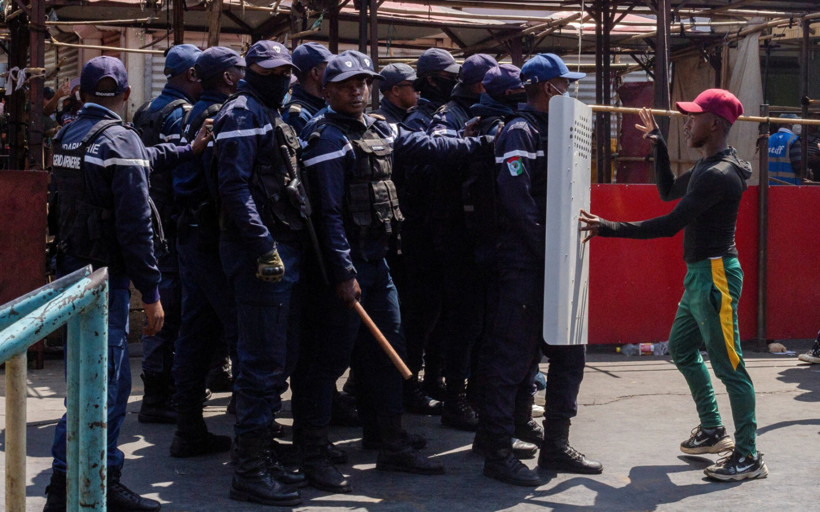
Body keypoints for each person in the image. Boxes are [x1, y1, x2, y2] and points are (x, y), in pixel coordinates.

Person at [292, 53, 494, 493]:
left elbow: (428, 147)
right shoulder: (324, 139)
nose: (357, 90)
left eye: (363, 83)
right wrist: (343, 273)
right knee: (327, 361)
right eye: (346, 84)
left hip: (376, 262)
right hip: (339, 269)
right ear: (326, 89)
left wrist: (480, 144)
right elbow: (325, 215)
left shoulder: (379, 127)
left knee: (387, 353)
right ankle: (311, 451)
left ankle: (387, 441)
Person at [44, 55, 211, 512]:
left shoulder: (71, 135)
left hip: (73, 273)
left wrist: (187, 149)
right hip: (106, 282)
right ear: (125, 96)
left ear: (80, 93)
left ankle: (67, 485)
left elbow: (145, 157)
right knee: (108, 386)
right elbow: (136, 228)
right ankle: (89, 482)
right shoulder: (119, 139)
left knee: (84, 380)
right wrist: (152, 294)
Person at [579, 88, 768, 482]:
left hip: (715, 276)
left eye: (694, 116)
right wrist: (659, 147)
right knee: (682, 349)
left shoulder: (719, 175)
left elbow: (668, 225)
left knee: (730, 367)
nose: (687, 122)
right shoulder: (707, 166)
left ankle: (749, 455)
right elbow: (667, 192)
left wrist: (608, 228)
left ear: (714, 124)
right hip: (700, 274)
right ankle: (713, 430)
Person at [479, 53, 602, 487]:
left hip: (559, 260)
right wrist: (548, 252)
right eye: (564, 84)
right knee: (514, 358)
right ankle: (496, 452)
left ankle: (556, 445)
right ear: (547, 87)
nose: (569, 90)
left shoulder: (564, 131)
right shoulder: (520, 130)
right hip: (525, 262)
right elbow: (516, 201)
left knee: (570, 353)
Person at [211, 39, 305, 506]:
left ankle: (263, 458)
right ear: (250, 71)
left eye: (286, 70)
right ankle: (248, 471)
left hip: (278, 250)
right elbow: (234, 187)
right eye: (272, 71)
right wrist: (264, 247)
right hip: (257, 257)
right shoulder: (243, 113)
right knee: (260, 363)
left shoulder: (269, 113)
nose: (283, 77)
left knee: (274, 361)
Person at [168, 46, 246, 458]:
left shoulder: (193, 111)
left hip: (192, 232)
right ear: (229, 78)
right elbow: (227, 183)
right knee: (243, 328)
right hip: (211, 237)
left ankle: (189, 429)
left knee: (197, 332)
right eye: (241, 69)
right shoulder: (220, 115)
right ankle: (255, 441)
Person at [132, 44, 203, 425]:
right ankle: (159, 396)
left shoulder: (148, 109)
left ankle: (160, 390)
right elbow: (182, 172)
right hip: (172, 224)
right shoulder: (182, 114)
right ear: (192, 75)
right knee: (169, 311)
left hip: (153, 216)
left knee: (164, 307)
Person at [426, 53, 497, 432]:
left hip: (481, 236)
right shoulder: (451, 115)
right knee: (463, 321)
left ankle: (474, 394)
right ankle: (455, 397)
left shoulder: (491, 113)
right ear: (480, 85)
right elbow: (438, 155)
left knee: (482, 322)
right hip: (458, 234)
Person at [397, 47, 461, 405]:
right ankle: (408, 385)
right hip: (419, 231)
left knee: (440, 312)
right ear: (431, 80)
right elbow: (415, 175)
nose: (452, 85)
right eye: (447, 78)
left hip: (438, 231)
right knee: (419, 315)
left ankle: (432, 380)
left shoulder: (438, 115)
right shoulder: (416, 121)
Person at [281, 42, 333, 133]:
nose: (333, 71)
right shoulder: (298, 116)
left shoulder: (323, 104)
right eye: (329, 68)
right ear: (315, 73)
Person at [768, 113, 802, 185]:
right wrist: (808, 173)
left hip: (769, 186)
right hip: (789, 186)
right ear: (788, 123)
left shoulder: (769, 139)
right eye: (796, 122)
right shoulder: (794, 140)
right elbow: (798, 166)